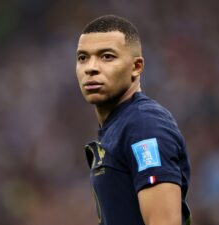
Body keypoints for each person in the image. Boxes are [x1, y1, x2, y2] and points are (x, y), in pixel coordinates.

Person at [75, 15, 191, 225]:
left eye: (107, 56)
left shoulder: (143, 125)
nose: (90, 67)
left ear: (136, 67)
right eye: (83, 57)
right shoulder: (117, 128)